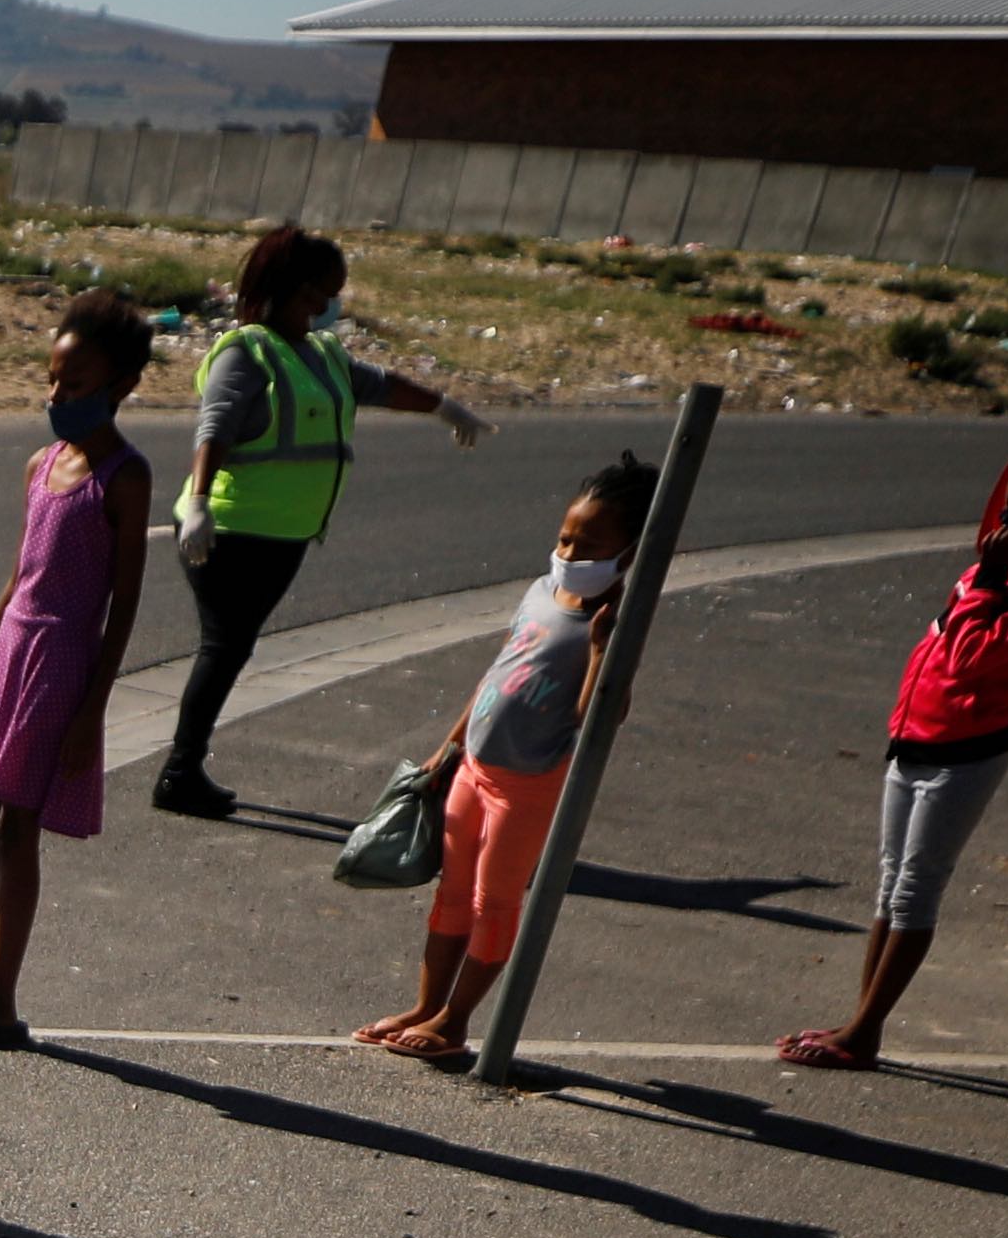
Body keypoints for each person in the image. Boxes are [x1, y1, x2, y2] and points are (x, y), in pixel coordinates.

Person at [776, 434, 1008, 1071]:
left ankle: (866, 1031)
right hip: (913, 742)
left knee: (914, 892)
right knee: (888, 887)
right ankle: (858, 1021)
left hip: (966, 753)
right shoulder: (990, 572)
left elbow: (967, 660)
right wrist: (986, 579)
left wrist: (988, 581)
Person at [150, 222, 488, 819]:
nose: (329, 304)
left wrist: (444, 407)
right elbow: (216, 427)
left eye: (334, 293)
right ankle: (179, 773)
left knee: (232, 647)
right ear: (290, 286)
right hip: (229, 530)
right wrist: (198, 503)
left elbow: (381, 386)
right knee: (225, 647)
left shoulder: (322, 354)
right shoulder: (246, 351)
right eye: (320, 292)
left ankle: (185, 768)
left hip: (284, 535)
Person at [0, 288, 156, 1048]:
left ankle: (1, 1003)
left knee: (20, 829)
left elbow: (124, 605)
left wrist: (92, 710)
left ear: (120, 387)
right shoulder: (42, 464)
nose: (57, 398)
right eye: (52, 381)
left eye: (74, 387)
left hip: (60, 664)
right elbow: (16, 581)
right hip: (13, 655)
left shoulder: (126, 476)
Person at [357, 452, 657, 1063]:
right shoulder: (542, 592)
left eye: (590, 544)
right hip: (475, 767)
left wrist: (601, 650)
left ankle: (456, 1020)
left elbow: (598, 717)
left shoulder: (614, 619)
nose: (570, 555)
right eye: (565, 539)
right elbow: (499, 671)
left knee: (494, 902)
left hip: (529, 782)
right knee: (452, 890)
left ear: (631, 552)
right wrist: (451, 744)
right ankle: (428, 1003)